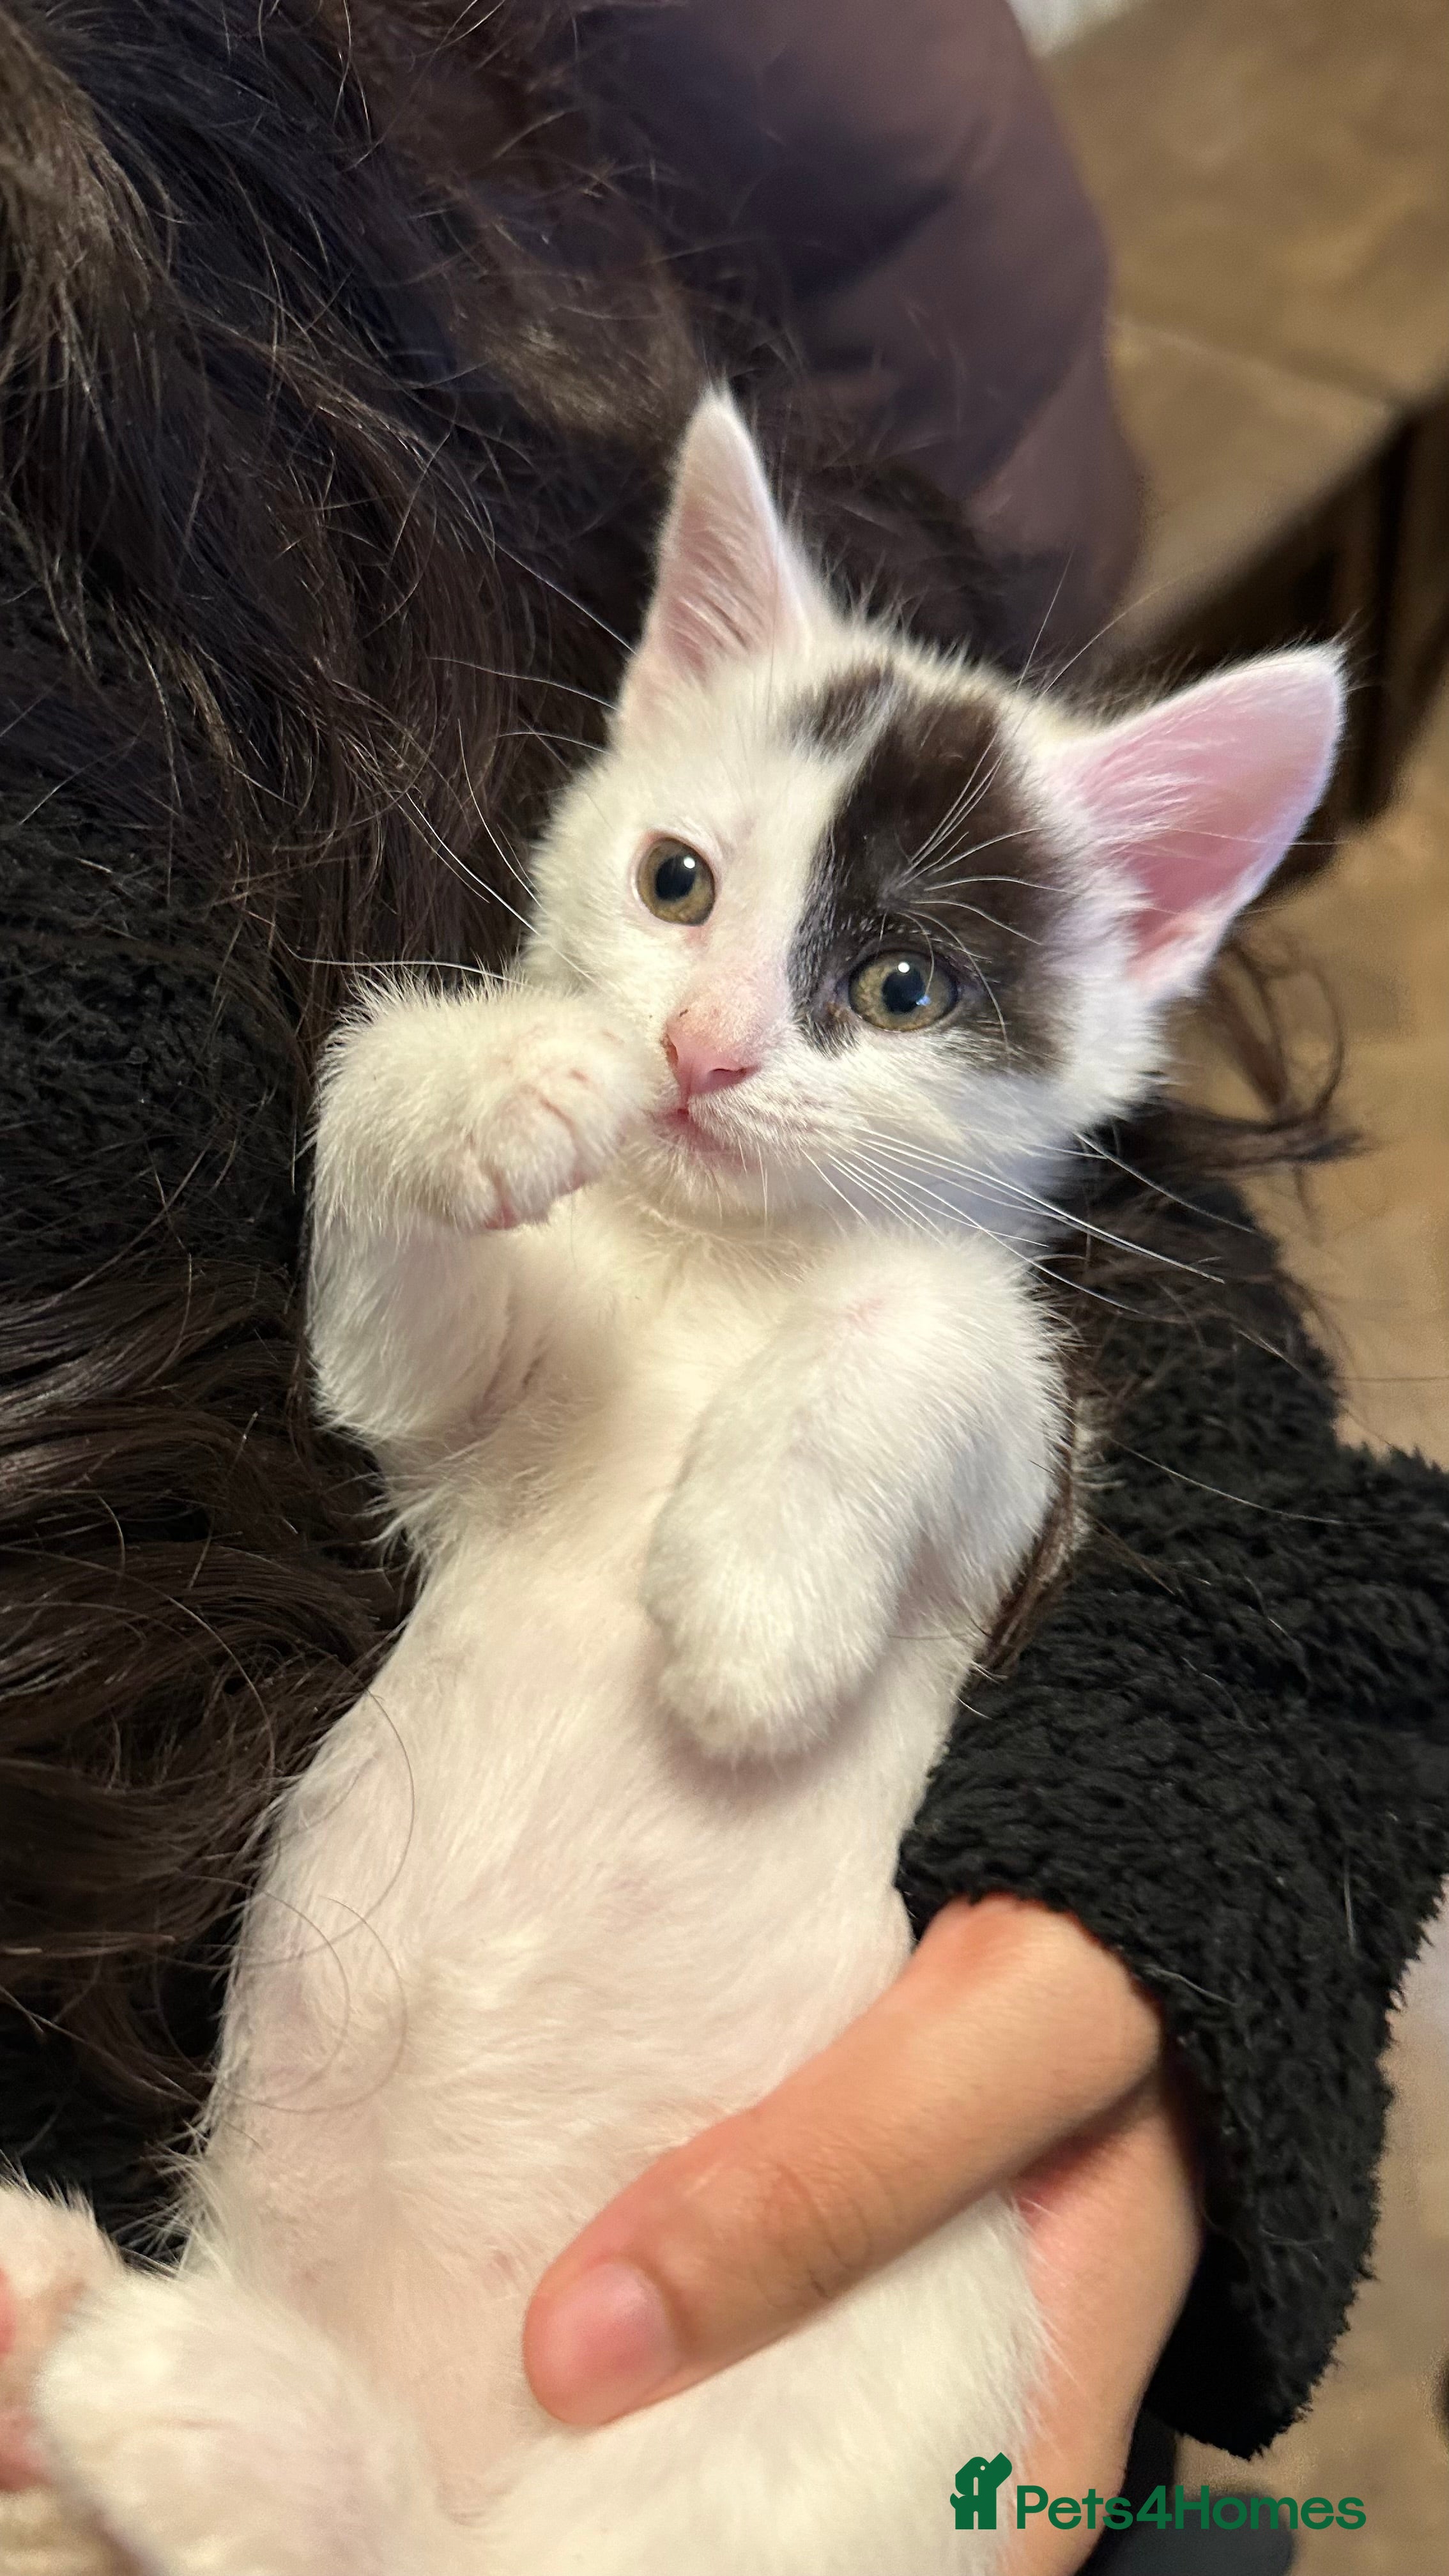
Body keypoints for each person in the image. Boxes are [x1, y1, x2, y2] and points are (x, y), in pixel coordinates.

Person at [0, 7, 1445, 2572]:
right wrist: (416, 1125)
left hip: (710, 2367)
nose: (705, 1039)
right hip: (304, 2264)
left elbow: (863, 1574)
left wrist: (1206, 1842)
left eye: (888, 990)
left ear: (1134, 956)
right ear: (646, 737)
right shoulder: (569, 1140)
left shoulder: (944, 1342)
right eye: (678, 886)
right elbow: (395, 1373)